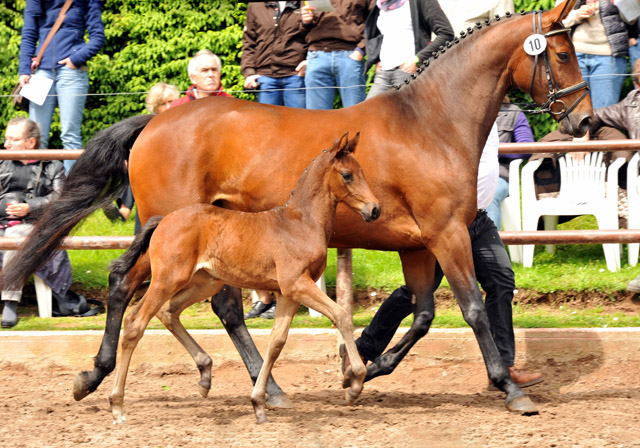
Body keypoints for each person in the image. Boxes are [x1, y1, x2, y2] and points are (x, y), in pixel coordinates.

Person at [343, 123, 544, 389]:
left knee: (501, 282)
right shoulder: (456, 111)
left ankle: (504, 367)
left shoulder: (493, 114)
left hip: (478, 219)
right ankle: (361, 350)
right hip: (446, 221)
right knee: (416, 292)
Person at [17, 0, 105, 174]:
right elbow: (28, 34)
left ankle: (70, 190)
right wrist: (24, 69)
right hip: (41, 73)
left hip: (71, 72)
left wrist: (76, 59)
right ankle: (36, 188)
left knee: (70, 136)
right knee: (36, 137)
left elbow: (98, 37)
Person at [1, 117, 72, 328]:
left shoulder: (52, 165)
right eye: (6, 139)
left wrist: (30, 207)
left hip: (33, 225)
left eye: (13, 139)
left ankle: (10, 301)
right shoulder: (2, 160)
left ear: (31, 143)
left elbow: (61, 198)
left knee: (15, 237)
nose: (6, 145)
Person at [104, 83, 180, 231]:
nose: (169, 107)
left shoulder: (182, 123)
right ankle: (122, 212)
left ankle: (124, 212)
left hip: (170, 175)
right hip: (147, 174)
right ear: (155, 107)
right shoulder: (148, 127)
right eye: (163, 104)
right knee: (135, 166)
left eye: (171, 102)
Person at [364, 0, 454, 98]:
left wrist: (418, 59)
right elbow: (378, 35)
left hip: (407, 72)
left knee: (402, 112)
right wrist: (377, 59)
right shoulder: (380, 4)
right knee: (366, 112)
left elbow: (446, 33)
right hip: (383, 72)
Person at [300, 0, 372, 110]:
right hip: (317, 55)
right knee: (317, 119)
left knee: (355, 116)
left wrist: (360, 50)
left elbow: (374, 20)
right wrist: (305, 22)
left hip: (350, 55)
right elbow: (299, 29)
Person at [559, 0, 629, 109]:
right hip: (575, 57)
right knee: (576, 112)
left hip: (609, 58)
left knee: (603, 113)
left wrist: (619, 3)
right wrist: (576, 15)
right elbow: (556, 20)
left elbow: (632, 19)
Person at [241, 1, 308, 108]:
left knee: (300, 122)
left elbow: (313, 35)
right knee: (267, 122)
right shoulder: (255, 5)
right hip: (265, 76)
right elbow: (248, 42)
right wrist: (249, 72)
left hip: (296, 76)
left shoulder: (304, 3)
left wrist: (309, 61)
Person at [486, 97, 534, 229]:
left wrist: (495, 148)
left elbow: (527, 148)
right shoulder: (464, 111)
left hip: (498, 176)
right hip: (464, 176)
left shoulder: (514, 113)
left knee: (489, 193)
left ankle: (491, 247)